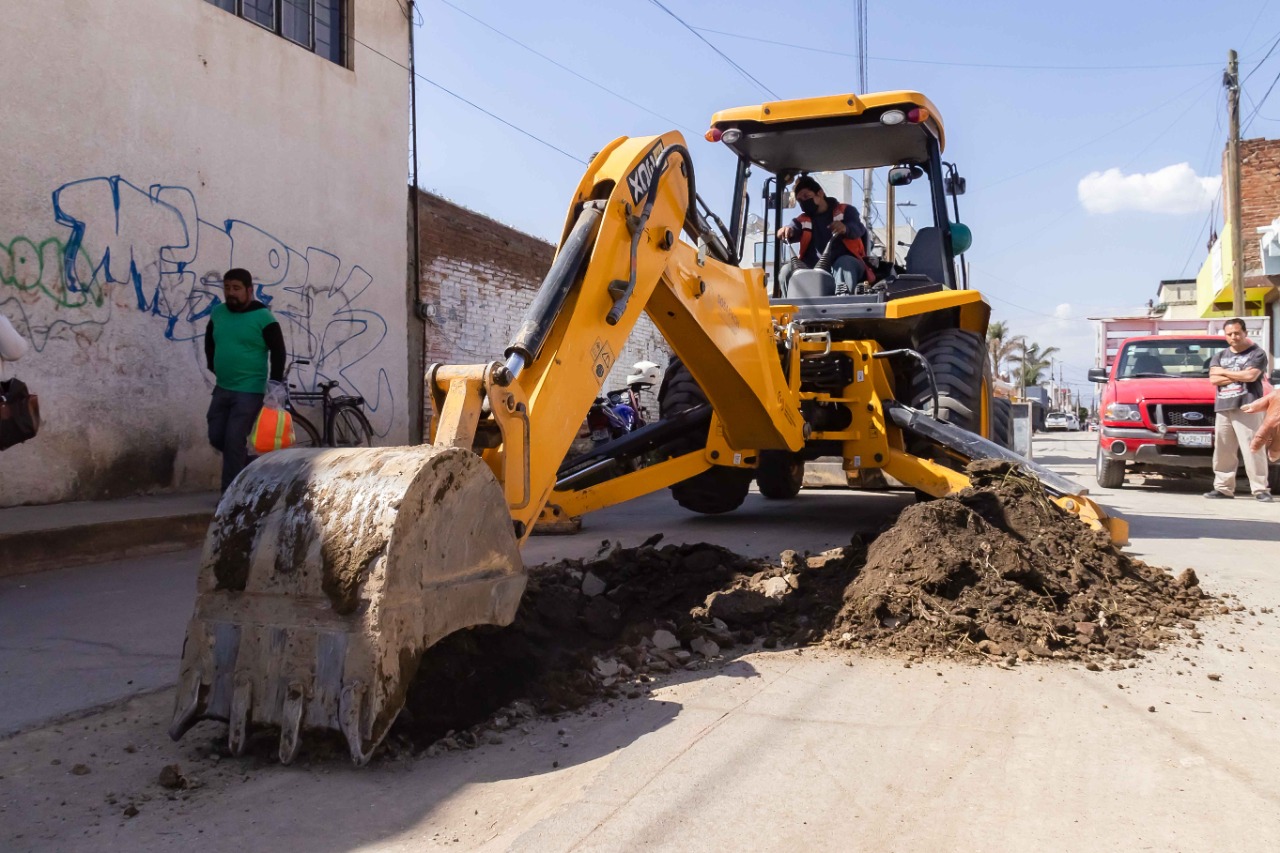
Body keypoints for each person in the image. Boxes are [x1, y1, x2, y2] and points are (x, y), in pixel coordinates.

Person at [204, 268, 286, 493]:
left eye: (236, 288)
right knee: (216, 436)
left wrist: (275, 384)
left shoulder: (263, 317)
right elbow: (210, 340)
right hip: (222, 387)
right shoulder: (218, 313)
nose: (231, 293)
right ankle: (250, 467)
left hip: (249, 390)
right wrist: (213, 364)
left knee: (233, 441)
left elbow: (278, 351)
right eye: (227, 288)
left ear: (249, 290)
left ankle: (228, 497)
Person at [1205, 318, 1271, 502]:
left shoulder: (1257, 354)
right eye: (1229, 334)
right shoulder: (1219, 356)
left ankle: (1260, 489)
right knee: (1223, 450)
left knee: (1253, 448)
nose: (1234, 337)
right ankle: (1223, 488)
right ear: (1225, 335)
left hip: (1248, 406)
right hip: (1224, 407)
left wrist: (1224, 373)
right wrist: (1238, 375)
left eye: (1237, 333)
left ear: (1245, 333)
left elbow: (1251, 376)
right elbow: (1213, 380)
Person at [775, 175, 873, 296]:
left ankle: (842, 305)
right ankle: (790, 310)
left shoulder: (845, 211)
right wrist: (786, 230)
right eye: (800, 200)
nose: (804, 202)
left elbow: (858, 228)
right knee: (786, 271)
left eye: (806, 196)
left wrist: (845, 228)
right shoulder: (802, 220)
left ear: (820, 193)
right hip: (812, 267)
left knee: (844, 264)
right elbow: (793, 229)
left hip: (844, 262)